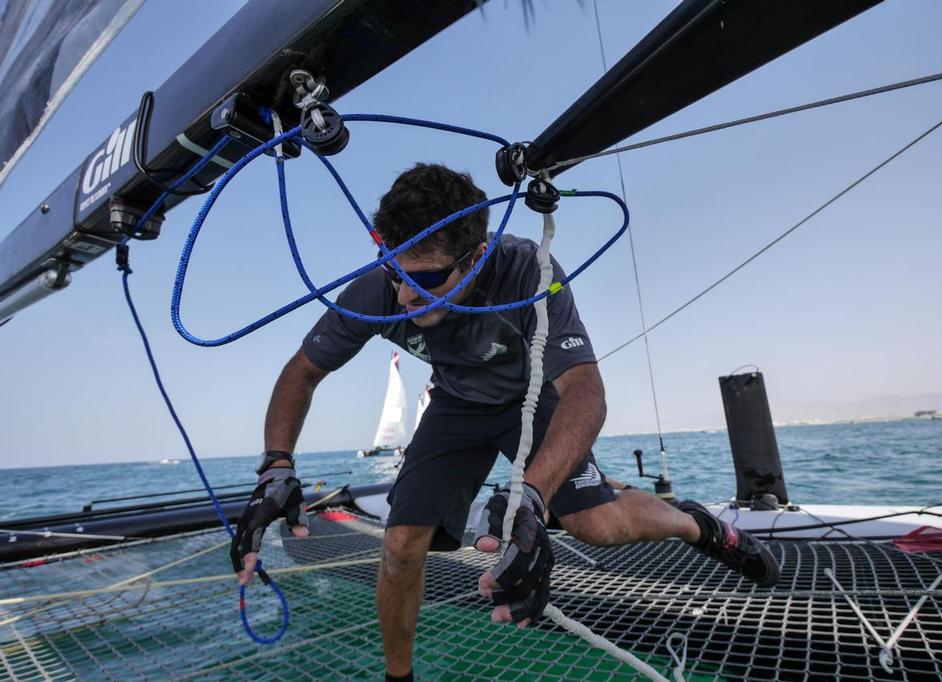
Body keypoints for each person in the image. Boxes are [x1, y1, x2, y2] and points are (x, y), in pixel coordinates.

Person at [230, 163, 779, 681]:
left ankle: (696, 524)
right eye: (395, 273)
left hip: (532, 401)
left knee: (597, 528)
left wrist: (534, 498)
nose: (402, 296)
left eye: (427, 279)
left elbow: (585, 391)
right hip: (456, 406)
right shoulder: (383, 288)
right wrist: (276, 466)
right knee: (399, 545)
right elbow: (301, 372)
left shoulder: (525, 270)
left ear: (476, 255)